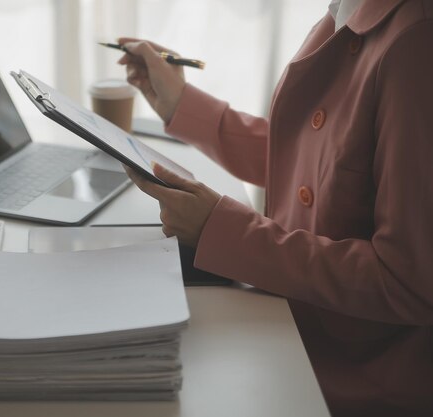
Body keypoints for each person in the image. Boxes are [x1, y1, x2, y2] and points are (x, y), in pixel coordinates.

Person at [117, 0, 433, 415]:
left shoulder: (414, 42)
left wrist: (223, 230)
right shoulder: (348, 10)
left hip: (354, 372)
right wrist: (182, 105)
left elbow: (407, 280)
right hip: (297, 326)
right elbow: (318, 156)